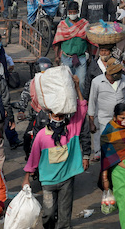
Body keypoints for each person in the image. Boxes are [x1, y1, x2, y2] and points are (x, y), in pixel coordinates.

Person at [23, 77, 90, 229]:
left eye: (61, 116)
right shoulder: (41, 136)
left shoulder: (72, 130)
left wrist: (77, 87)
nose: (58, 119)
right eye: (55, 116)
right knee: (48, 213)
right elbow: (33, 159)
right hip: (47, 181)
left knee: (65, 215)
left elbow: (82, 107)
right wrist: (27, 178)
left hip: (66, 179)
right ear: (49, 116)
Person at [88, 58, 125, 158]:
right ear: (111, 73)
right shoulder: (97, 82)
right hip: (104, 120)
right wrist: (91, 121)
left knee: (120, 146)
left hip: (121, 119)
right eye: (118, 72)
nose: (120, 74)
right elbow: (92, 102)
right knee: (106, 148)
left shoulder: (123, 79)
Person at [52, 1, 89, 83]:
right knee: (68, 82)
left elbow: (89, 40)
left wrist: (90, 55)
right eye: (70, 12)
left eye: (74, 12)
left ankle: (80, 96)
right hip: (66, 58)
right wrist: (56, 56)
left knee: (81, 82)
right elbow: (58, 41)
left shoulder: (84, 24)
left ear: (78, 12)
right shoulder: (62, 25)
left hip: (81, 57)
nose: (72, 14)